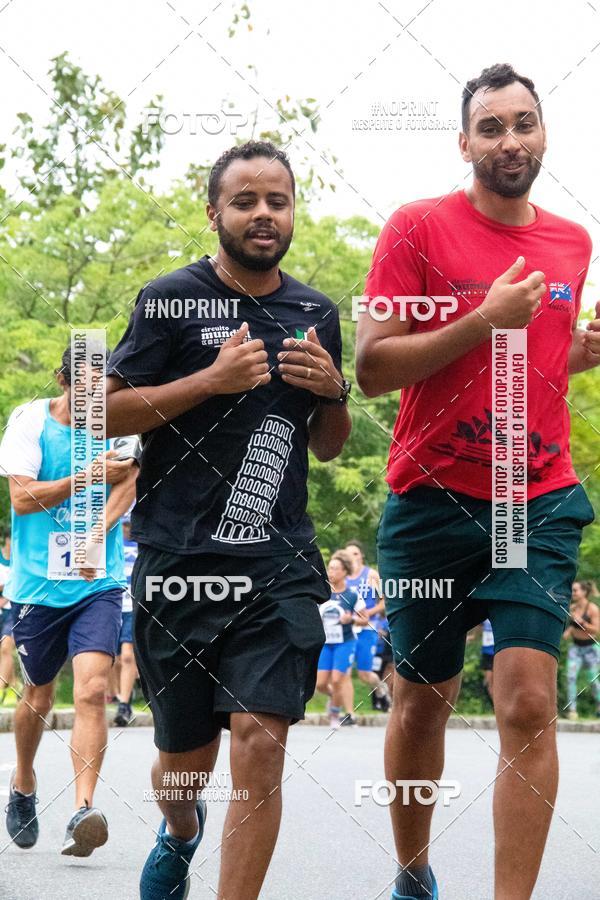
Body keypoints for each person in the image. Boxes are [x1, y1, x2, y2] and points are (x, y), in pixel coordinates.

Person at [356, 63, 599, 900]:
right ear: (464, 143)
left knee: (528, 700)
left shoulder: (573, 241)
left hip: (537, 498)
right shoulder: (415, 228)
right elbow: (373, 370)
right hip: (432, 499)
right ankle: (414, 871)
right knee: (424, 699)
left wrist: (577, 352)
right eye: (490, 127)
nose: (509, 140)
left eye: (523, 123)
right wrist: (482, 317)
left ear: (542, 135)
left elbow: (529, 359)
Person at [104, 140, 351, 900]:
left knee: (261, 741)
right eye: (245, 201)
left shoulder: (314, 311)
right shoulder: (167, 299)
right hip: (178, 563)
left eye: (276, 200)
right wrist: (208, 381)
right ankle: (180, 831)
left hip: (276, 563)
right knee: (185, 764)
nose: (263, 214)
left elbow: (329, 445)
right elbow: (98, 412)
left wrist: (335, 392)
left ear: (292, 211)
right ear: (215, 213)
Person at [0, 345, 139, 856]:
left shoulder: (119, 421)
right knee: (37, 693)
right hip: (37, 585)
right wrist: (83, 479)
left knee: (91, 689)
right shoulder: (29, 421)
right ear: (63, 379)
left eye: (105, 387)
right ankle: (23, 782)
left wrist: (96, 532)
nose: (97, 398)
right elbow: (21, 496)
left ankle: (82, 810)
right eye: (87, 385)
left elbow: (127, 480)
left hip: (96, 583)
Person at [316, 551, 366, 728]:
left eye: (336, 569)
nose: (331, 572)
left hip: (345, 642)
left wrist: (350, 619)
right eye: (329, 568)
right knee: (321, 684)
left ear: (345, 572)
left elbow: (365, 619)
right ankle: (334, 697)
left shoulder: (352, 595)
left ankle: (335, 715)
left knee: (337, 680)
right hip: (325, 643)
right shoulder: (322, 593)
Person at [345, 540, 391, 712]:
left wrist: (368, 614)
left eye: (355, 553)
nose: (352, 557)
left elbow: (384, 602)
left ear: (361, 555)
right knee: (343, 671)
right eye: (348, 553)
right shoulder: (343, 576)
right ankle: (342, 710)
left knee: (364, 674)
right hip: (346, 629)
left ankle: (381, 688)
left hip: (367, 627)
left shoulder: (371, 575)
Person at [113, 514, 139, 727]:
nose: (127, 528)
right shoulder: (110, 541)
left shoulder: (142, 542)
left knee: (129, 655)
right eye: (125, 524)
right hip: (111, 604)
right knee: (114, 658)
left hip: (133, 605)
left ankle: (123, 705)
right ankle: (123, 694)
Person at [563, 580, 600, 720]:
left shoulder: (592, 609)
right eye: (572, 590)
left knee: (593, 680)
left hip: (591, 648)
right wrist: (570, 629)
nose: (573, 593)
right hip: (576, 648)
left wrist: (581, 621)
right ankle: (572, 710)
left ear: (584, 592)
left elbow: (596, 630)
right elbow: (574, 624)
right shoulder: (572, 608)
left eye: (576, 590)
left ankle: (599, 706)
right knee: (571, 677)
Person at [0, 528, 16, 704]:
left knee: (6, 647)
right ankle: (13, 686)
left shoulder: (20, 562)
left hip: (13, 610)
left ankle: (1, 689)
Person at [480, 618, 495, 703]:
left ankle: (498, 708)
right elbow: (478, 627)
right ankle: (496, 707)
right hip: (487, 652)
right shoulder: (483, 613)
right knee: (488, 682)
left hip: (497, 650)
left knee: (496, 682)